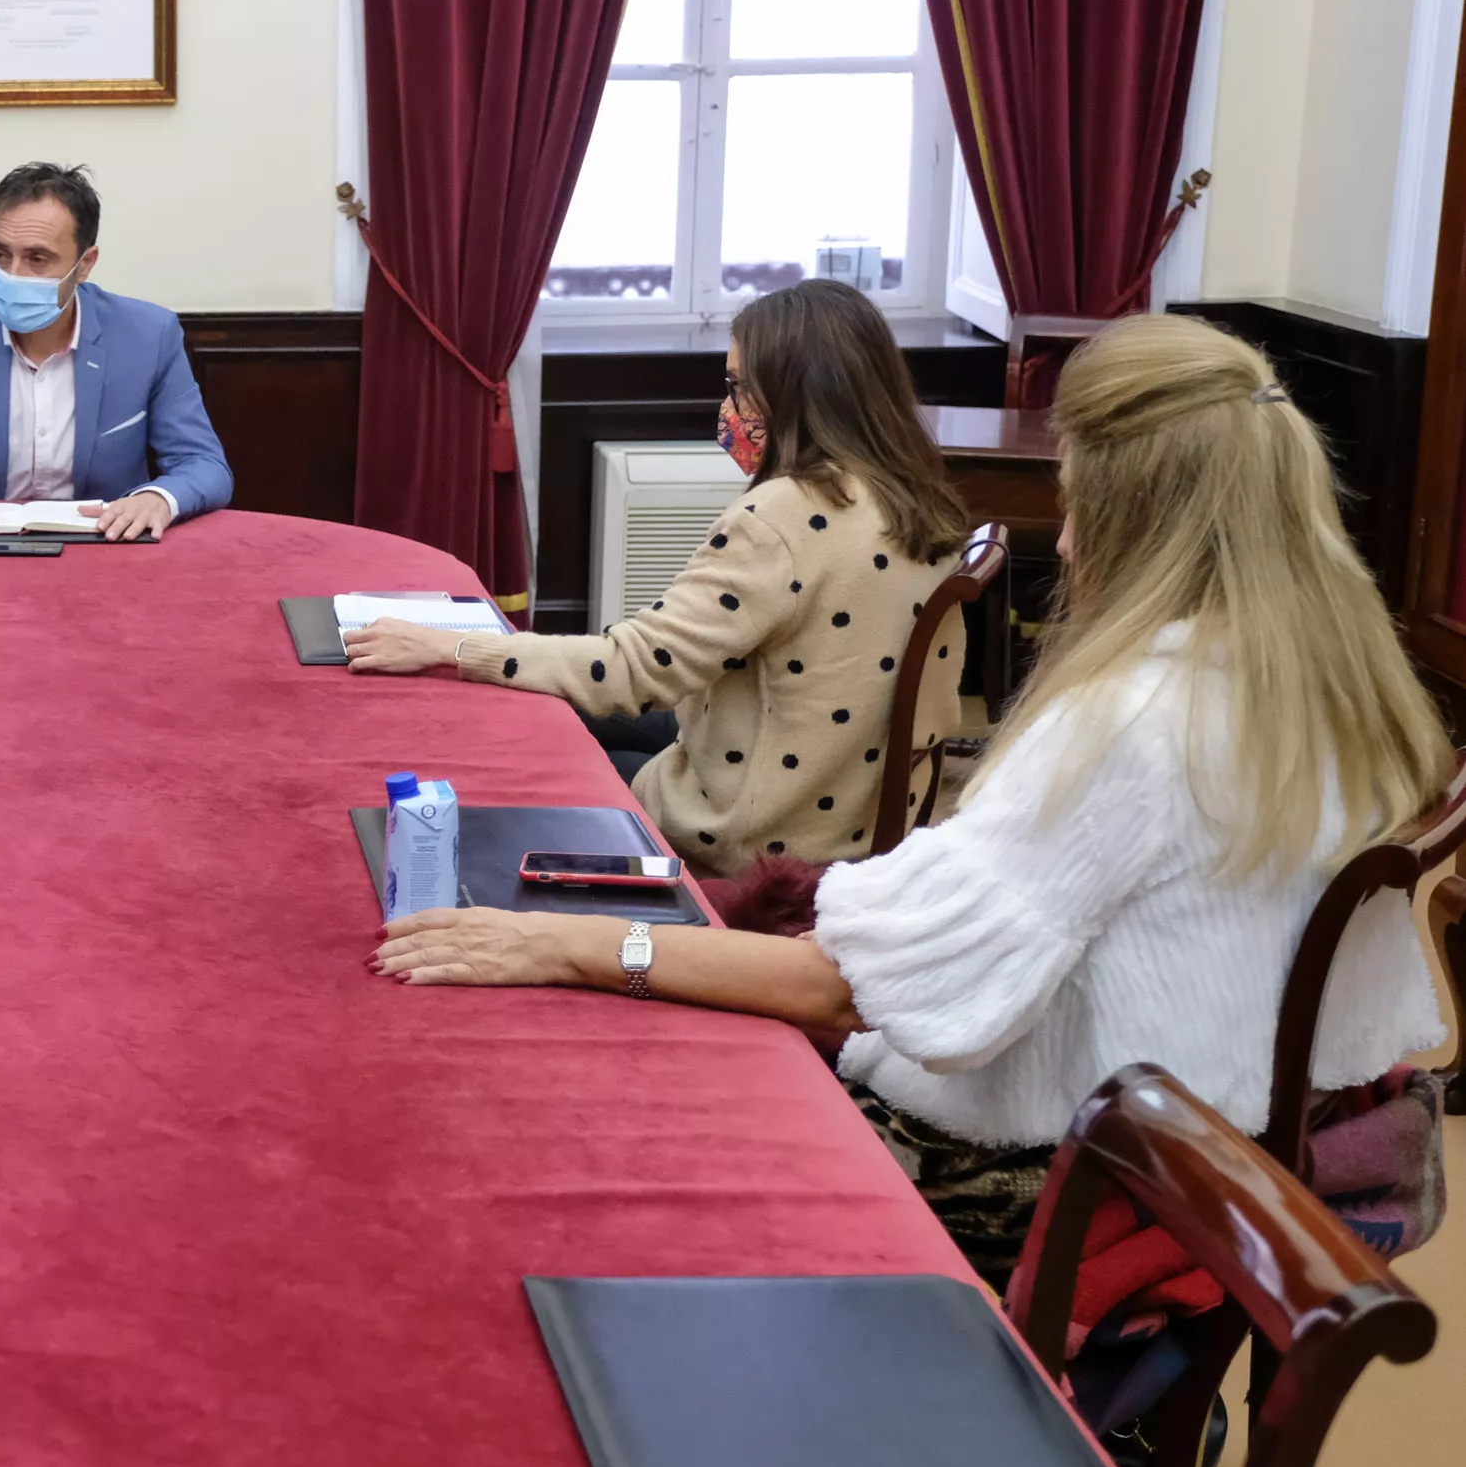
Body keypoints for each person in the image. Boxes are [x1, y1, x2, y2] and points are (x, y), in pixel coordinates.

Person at [369, 313, 1453, 1285]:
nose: (1065, 542)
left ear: (1135, 518)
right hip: (1239, 1114)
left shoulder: (1132, 726)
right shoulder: (1339, 680)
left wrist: (567, 945)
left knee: (583, 1107)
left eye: (1076, 506)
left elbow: (848, 991)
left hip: (1045, 1173)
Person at [344, 279, 971, 875]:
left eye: (738, 386)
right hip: (848, 798)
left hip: (758, 827)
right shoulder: (916, 496)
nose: (729, 407)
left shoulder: (783, 518)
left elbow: (633, 670)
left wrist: (451, 648)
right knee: (574, 711)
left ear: (794, 395)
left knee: (546, 749)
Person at [0, 161, 234, 543]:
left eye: (37, 258)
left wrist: (158, 499)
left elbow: (203, 465)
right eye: (1, 254)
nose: (14, 274)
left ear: (85, 265)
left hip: (107, 551)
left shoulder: (149, 335)